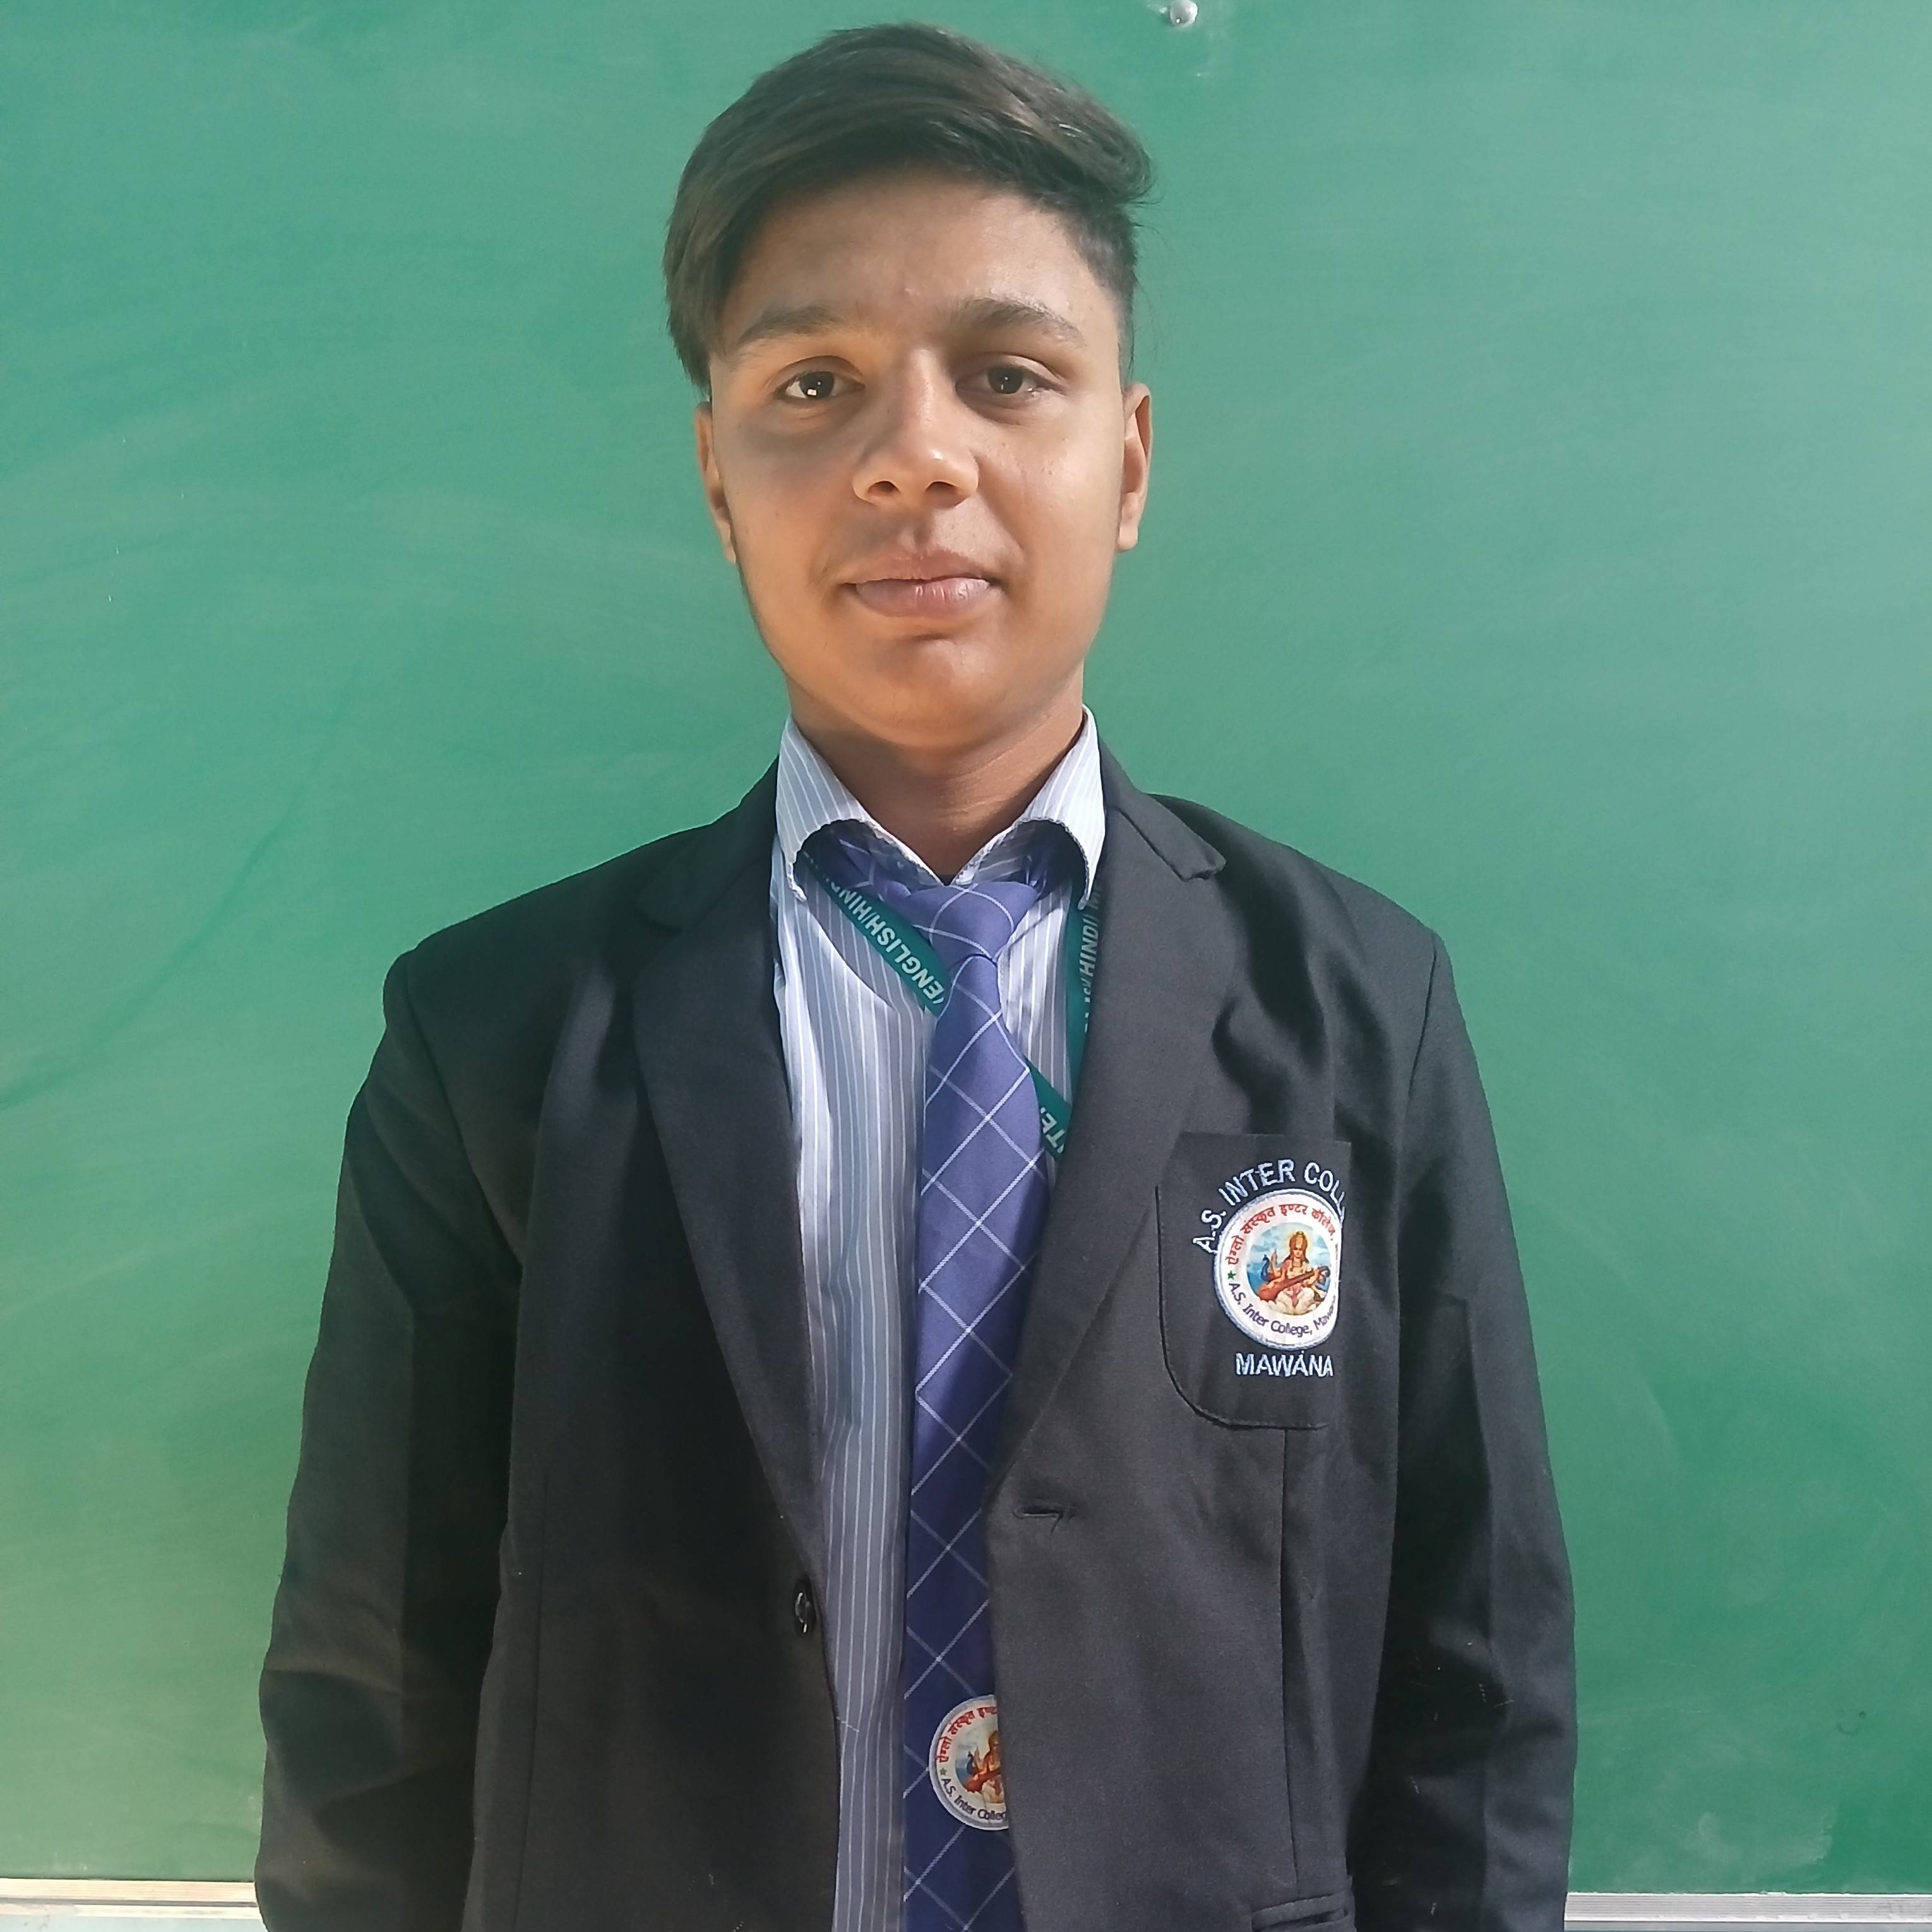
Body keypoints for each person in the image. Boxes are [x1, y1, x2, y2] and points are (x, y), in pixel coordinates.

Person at [254, 22, 1575, 1932]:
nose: (913, 458)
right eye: (815, 385)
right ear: (719, 477)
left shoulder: (1360, 1006)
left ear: (1127, 460)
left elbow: (1478, 1669)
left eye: (1008, 375)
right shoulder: (494, 1036)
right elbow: (370, 1697)